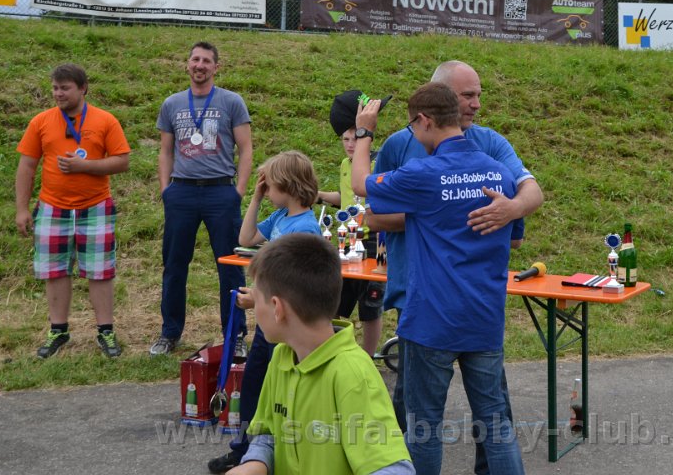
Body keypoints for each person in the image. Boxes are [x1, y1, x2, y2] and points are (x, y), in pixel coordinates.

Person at [368, 60, 542, 473]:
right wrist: (436, 213)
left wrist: (511, 208)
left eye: (479, 94)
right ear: (441, 99)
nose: (476, 104)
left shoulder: (489, 144)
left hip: (438, 310)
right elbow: (373, 216)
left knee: (429, 424)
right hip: (434, 301)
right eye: (468, 95)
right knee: (440, 414)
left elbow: (529, 194)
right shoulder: (401, 145)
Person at [227, 233, 413, 475]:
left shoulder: (352, 374)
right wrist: (255, 464)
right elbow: (268, 434)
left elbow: (395, 469)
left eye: (256, 300)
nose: (254, 310)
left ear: (277, 308)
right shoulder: (282, 358)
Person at [208, 151, 323, 474]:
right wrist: (257, 199)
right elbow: (245, 239)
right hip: (268, 323)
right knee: (255, 385)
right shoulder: (281, 217)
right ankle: (245, 449)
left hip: (286, 326)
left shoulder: (305, 228)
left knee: (281, 390)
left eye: (269, 185)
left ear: (288, 185)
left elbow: (296, 284)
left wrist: (258, 297)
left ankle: (278, 451)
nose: (266, 190)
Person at [15, 63, 131, 359]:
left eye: (65, 88)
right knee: (55, 270)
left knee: (100, 271)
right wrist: (22, 208)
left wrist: (85, 166)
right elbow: (27, 165)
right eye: (55, 88)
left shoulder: (105, 120)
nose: (58, 93)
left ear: (83, 88)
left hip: (96, 207)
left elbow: (122, 161)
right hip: (52, 208)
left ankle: (105, 331)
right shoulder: (41, 121)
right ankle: (58, 330)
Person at [151, 41, 253, 356]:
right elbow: (165, 151)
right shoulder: (172, 104)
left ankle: (235, 334)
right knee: (174, 264)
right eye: (195, 59)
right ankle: (170, 333)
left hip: (220, 191)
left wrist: (237, 191)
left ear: (216, 67)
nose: (200, 65)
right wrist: (166, 189)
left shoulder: (231, 101)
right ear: (187, 64)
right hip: (181, 192)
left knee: (230, 266)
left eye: (207, 61)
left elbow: (246, 148)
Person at [316, 89, 389, 357]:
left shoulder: (378, 163)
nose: (349, 144)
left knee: (371, 303)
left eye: (354, 137)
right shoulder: (345, 165)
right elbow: (346, 199)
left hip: (377, 240)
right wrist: (319, 195)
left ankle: (368, 356)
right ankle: (336, 352)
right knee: (339, 298)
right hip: (348, 238)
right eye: (344, 139)